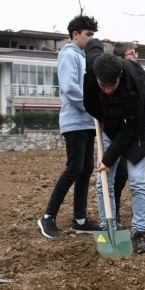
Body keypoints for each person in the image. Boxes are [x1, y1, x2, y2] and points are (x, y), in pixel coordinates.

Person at [83, 42, 145, 254]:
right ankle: (109, 226)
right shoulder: (92, 77)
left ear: (120, 76)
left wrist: (108, 158)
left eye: (112, 85)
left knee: (137, 180)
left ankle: (140, 230)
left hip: (135, 132)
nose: (107, 90)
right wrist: (103, 117)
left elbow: (130, 129)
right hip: (110, 128)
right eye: (103, 85)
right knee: (103, 181)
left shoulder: (135, 83)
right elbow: (90, 104)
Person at [37, 15, 100, 238]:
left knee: (86, 169)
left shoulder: (82, 57)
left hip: (87, 122)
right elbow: (70, 88)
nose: (91, 39)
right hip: (74, 122)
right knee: (74, 168)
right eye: (88, 34)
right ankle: (47, 216)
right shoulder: (69, 55)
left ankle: (80, 219)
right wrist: (92, 106)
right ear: (75, 34)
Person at [108, 42, 137, 226]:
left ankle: (134, 215)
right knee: (115, 175)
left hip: (131, 134)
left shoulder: (135, 76)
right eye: (131, 54)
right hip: (115, 134)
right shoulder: (113, 82)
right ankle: (113, 213)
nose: (135, 57)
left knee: (126, 174)